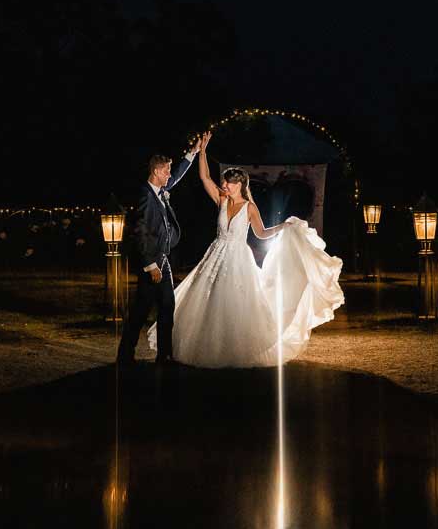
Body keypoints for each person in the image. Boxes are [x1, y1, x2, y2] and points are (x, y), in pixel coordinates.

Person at [147, 130, 344, 368]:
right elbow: (204, 177)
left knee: (236, 303)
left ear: (239, 184)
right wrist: (202, 152)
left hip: (239, 258)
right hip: (216, 254)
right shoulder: (221, 200)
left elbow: (261, 233)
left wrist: (283, 227)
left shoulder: (249, 207)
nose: (224, 185)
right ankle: (207, 349)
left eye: (227, 182)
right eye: (224, 182)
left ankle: (235, 350)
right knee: (210, 303)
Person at [116, 137, 202, 366]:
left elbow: (177, 177)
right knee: (142, 311)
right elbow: (140, 231)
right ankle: (126, 355)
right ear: (156, 171)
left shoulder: (160, 190)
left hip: (163, 259)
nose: (168, 175)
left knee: (166, 307)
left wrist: (192, 153)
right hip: (152, 263)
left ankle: (164, 355)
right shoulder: (145, 194)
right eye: (166, 171)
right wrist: (150, 264)